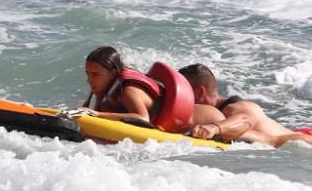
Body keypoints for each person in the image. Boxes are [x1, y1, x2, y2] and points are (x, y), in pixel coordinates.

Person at [177, 63, 312, 149]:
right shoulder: (220, 111)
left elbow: (244, 121)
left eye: (185, 92)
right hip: (294, 134)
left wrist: (214, 128)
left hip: (304, 139)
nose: (182, 99)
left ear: (200, 92)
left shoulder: (236, 108)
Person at [77, 46, 216, 133]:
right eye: (88, 74)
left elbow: (142, 118)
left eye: (95, 74)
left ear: (113, 73)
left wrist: (96, 115)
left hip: (205, 118)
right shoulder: (105, 89)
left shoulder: (128, 91)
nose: (89, 80)